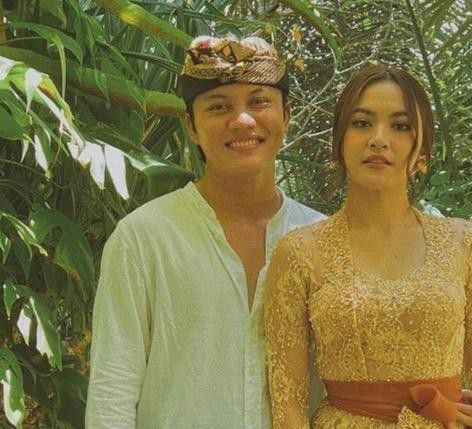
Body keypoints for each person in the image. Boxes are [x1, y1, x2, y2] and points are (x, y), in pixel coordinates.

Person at [85, 35, 325, 428]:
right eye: (219, 106)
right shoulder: (144, 238)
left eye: (259, 102)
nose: (242, 120)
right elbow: (113, 391)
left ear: (286, 116)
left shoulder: (323, 239)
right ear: (192, 127)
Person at [264, 65, 472, 428]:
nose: (378, 139)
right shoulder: (299, 252)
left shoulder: (464, 243)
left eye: (400, 126)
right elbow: (289, 402)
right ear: (338, 143)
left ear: (422, 153)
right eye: (362, 123)